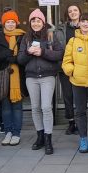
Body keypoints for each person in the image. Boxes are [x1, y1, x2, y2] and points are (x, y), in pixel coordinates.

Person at [18, 9, 64, 155]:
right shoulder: (26, 38)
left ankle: (48, 138)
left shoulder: (50, 36)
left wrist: (42, 52)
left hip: (47, 76)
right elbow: (20, 60)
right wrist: (28, 52)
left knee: (46, 107)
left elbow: (59, 54)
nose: (36, 23)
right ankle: (40, 136)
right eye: (33, 21)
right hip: (31, 77)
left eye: (38, 21)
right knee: (35, 107)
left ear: (43, 22)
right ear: (30, 23)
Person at [62, 13, 88, 153]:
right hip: (77, 82)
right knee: (79, 112)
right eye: (83, 21)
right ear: (79, 23)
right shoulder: (72, 41)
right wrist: (72, 71)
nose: (86, 24)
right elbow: (66, 61)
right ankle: (83, 139)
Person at [0, 10, 26, 146]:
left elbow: (25, 56)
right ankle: (7, 132)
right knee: (5, 107)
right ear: (3, 23)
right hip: (3, 75)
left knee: (17, 106)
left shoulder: (22, 37)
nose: (11, 24)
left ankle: (16, 133)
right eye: (8, 22)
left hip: (18, 76)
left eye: (13, 22)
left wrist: (15, 58)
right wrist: (7, 56)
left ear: (16, 23)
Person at [54, 4, 81, 136]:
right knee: (68, 95)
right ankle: (71, 122)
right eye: (70, 11)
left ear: (80, 12)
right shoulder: (60, 29)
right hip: (66, 66)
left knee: (80, 95)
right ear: (67, 14)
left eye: (75, 10)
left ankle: (81, 122)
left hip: (82, 67)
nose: (73, 12)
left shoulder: (86, 27)